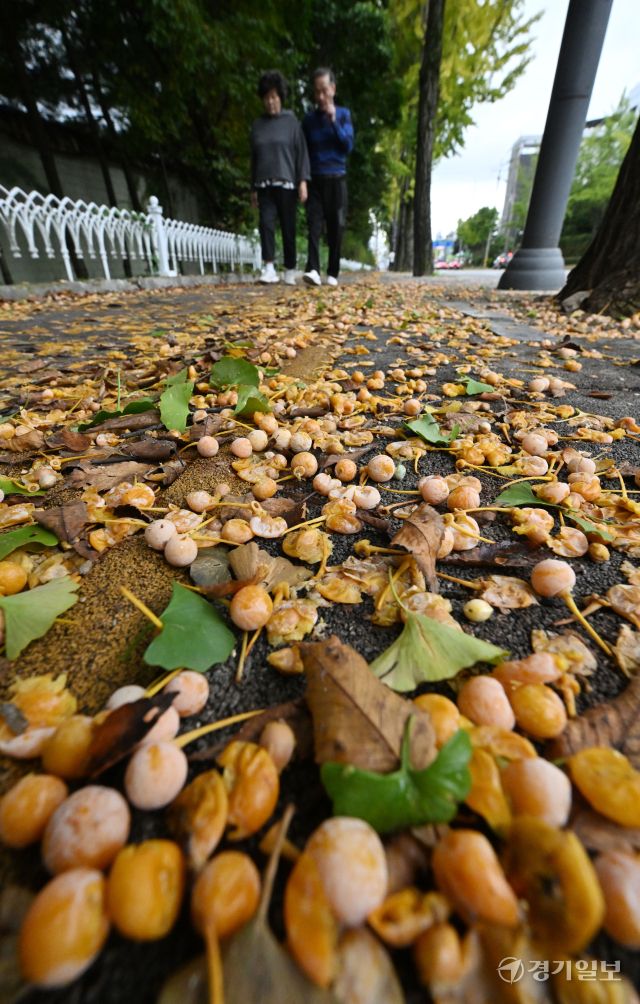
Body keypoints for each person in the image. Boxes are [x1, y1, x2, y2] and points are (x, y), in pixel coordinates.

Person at [250, 71, 310, 285]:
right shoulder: (257, 126)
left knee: (288, 226)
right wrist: (252, 188)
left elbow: (301, 152)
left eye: (274, 97)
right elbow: (254, 158)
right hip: (264, 184)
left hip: (287, 183)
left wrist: (303, 181)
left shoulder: (291, 122)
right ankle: (269, 268)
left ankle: (290, 269)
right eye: (267, 98)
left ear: (281, 97)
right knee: (265, 224)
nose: (270, 102)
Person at [302, 68, 354, 287]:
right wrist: (303, 180)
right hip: (315, 179)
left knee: (336, 227)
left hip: (337, 178)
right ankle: (313, 269)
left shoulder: (343, 115)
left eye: (324, 90)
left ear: (333, 89)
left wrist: (334, 122)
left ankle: (333, 272)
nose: (321, 96)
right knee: (313, 224)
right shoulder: (308, 121)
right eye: (317, 92)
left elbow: (348, 145)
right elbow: (303, 153)